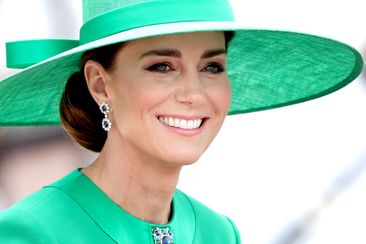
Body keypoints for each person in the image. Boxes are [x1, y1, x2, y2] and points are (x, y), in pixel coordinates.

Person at [0, 0, 363, 243]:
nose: (194, 94)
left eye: (212, 67)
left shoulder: (219, 233)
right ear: (100, 83)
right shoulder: (29, 233)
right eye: (162, 66)